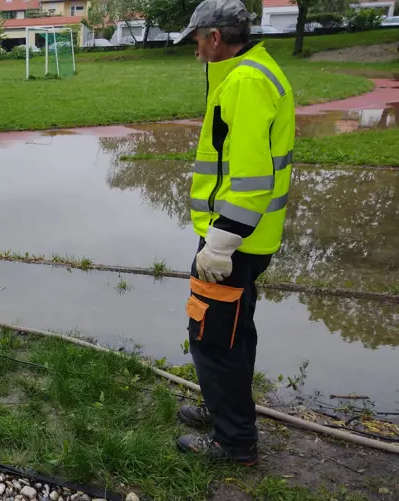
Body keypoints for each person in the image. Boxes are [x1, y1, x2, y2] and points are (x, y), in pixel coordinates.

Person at [170, 0, 295, 465]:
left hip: (233, 241)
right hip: (252, 237)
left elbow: (251, 176)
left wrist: (220, 244)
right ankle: (222, 406)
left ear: (216, 37)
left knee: (213, 335)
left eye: (198, 41)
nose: (197, 51)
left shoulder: (243, 83)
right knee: (236, 330)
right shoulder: (259, 70)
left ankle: (235, 441)